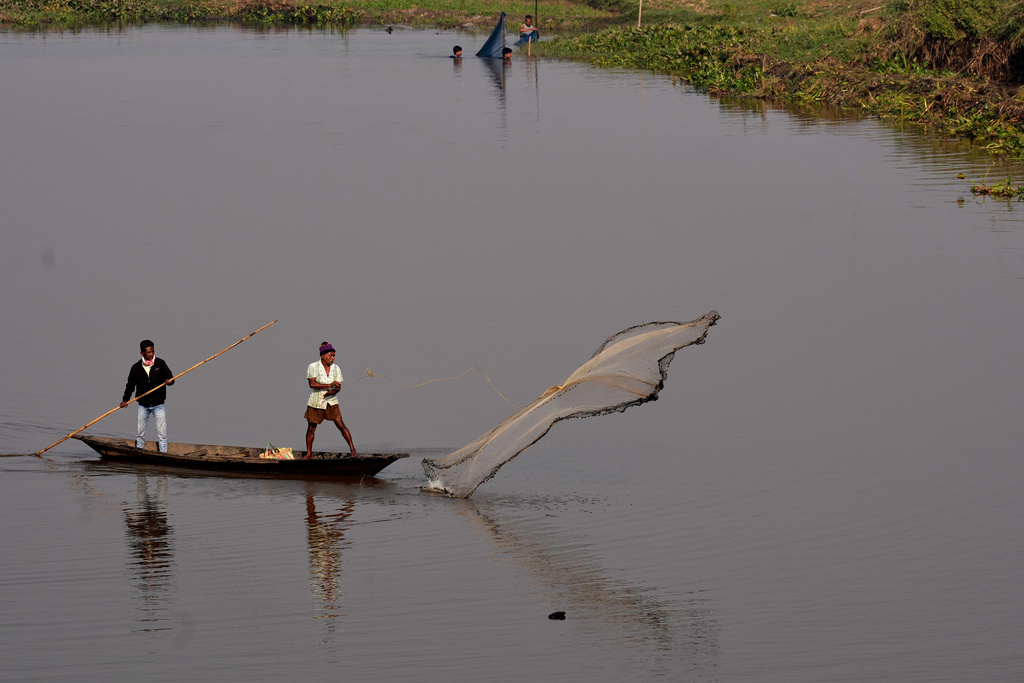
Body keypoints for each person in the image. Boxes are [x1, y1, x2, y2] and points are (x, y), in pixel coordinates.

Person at [305, 342, 357, 459]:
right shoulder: (313, 366)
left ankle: (353, 450)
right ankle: (308, 453)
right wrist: (329, 384)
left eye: (334, 356)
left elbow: (338, 387)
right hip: (316, 402)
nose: (332, 358)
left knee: (340, 424)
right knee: (311, 428)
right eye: (330, 355)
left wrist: (332, 391)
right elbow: (312, 384)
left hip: (331, 401)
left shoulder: (336, 368)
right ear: (323, 355)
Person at [120, 339, 175, 452]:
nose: (151, 354)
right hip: (143, 405)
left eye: (153, 351)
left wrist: (169, 381)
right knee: (140, 432)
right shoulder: (136, 368)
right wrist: (125, 400)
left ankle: (163, 453)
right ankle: (140, 451)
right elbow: (130, 386)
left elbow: (171, 378)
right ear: (142, 353)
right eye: (149, 352)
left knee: (162, 433)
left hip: (158, 404)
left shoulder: (160, 363)